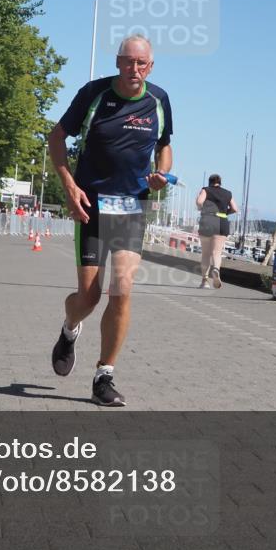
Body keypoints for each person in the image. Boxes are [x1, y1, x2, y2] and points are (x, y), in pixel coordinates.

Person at [48, 35, 172, 407]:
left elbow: (164, 145)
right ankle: (70, 329)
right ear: (118, 62)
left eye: (142, 64)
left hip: (131, 206)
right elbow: (56, 137)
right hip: (91, 204)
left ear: (151, 66)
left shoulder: (159, 100)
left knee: (122, 291)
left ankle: (104, 376)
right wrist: (69, 186)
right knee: (88, 296)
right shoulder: (94, 94)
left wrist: (161, 173)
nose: (135, 70)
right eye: (128, 62)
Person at [195, 174, 239, 289]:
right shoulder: (228, 193)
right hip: (222, 221)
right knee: (216, 252)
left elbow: (200, 202)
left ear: (210, 182)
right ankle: (216, 269)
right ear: (220, 182)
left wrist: (202, 208)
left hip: (208, 220)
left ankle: (205, 281)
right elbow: (235, 208)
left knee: (206, 253)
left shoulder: (206, 190)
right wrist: (225, 213)